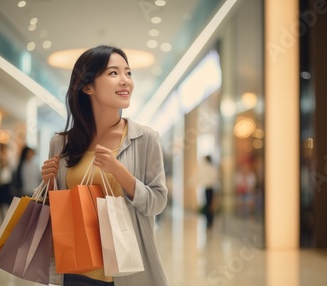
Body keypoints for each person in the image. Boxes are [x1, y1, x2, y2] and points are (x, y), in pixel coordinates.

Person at [41, 45, 169, 286]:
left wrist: (118, 171)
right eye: (113, 73)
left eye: (128, 73)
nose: (125, 81)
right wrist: (49, 183)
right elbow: (57, 210)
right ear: (87, 86)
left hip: (125, 273)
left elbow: (157, 202)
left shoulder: (145, 139)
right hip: (75, 270)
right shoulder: (61, 143)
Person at [196, 155, 219, 229]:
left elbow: (199, 177)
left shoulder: (207, 168)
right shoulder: (212, 168)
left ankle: (209, 221)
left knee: (209, 205)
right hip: (210, 188)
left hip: (209, 188)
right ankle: (209, 221)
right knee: (209, 205)